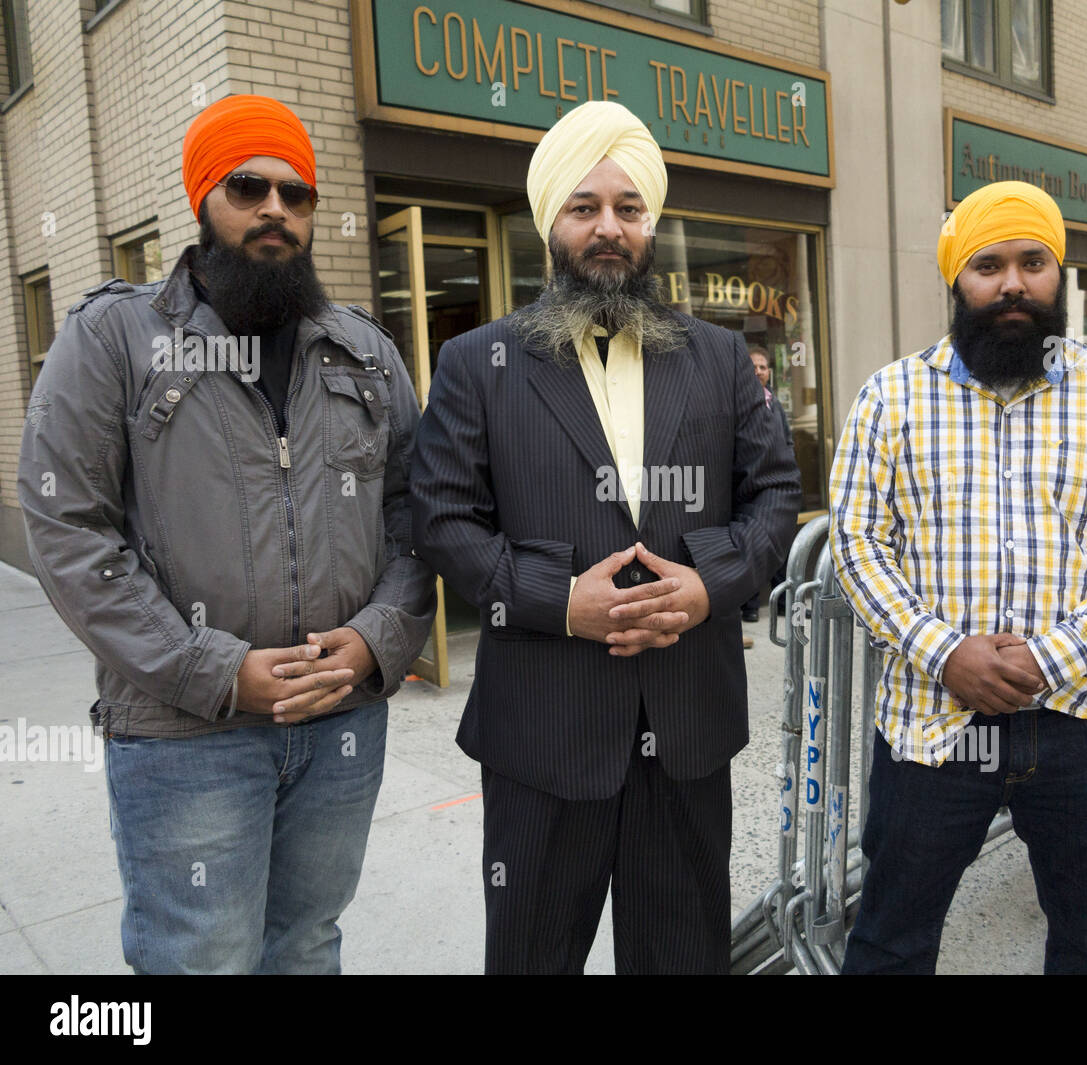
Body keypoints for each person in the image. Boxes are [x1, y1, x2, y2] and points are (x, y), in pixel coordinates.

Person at [17, 95, 435, 974]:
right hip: (186, 735)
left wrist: (375, 640)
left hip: (340, 724)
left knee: (308, 947)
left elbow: (417, 517)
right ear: (203, 198)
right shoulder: (114, 339)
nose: (275, 208)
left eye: (297, 193)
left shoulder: (364, 350)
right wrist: (210, 669)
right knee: (200, 960)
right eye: (248, 187)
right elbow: (68, 527)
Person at [409, 100, 800, 975]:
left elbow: (776, 495)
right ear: (550, 223)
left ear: (650, 225)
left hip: (686, 726)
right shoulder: (479, 363)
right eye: (584, 207)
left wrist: (707, 584)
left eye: (629, 208)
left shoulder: (719, 357)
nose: (608, 228)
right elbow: (440, 518)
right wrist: (560, 601)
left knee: (682, 959)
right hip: (543, 733)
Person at [830, 180, 1087, 974]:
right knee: (889, 942)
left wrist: (1051, 658)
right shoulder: (890, 399)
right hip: (932, 726)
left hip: (1083, 725)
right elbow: (857, 544)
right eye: (988, 266)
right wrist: (946, 652)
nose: (1013, 284)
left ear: (1060, 274)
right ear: (957, 280)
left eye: (1034, 262)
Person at [742, 344, 795, 625]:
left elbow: (787, 440)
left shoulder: (774, 402)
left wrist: (789, 469)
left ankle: (785, 602)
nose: (759, 371)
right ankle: (750, 606)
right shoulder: (738, 401)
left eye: (763, 367)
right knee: (750, 544)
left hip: (777, 484)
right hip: (750, 485)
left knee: (780, 544)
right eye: (754, 366)